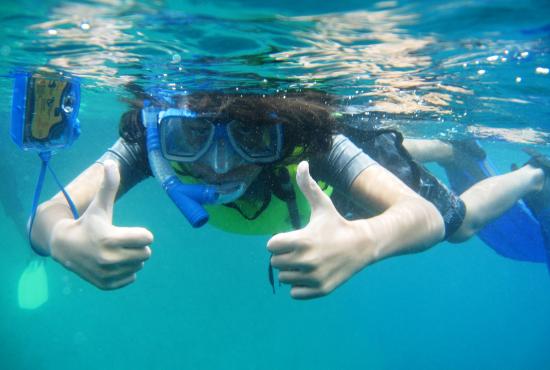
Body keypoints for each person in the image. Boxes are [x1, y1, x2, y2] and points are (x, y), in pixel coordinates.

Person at [30, 90, 550, 299]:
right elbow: (47, 216)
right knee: (376, 168)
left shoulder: (309, 137)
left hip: (331, 190)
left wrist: (367, 241)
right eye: (192, 137)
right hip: (318, 197)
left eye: (250, 138)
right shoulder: (150, 141)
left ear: (281, 130)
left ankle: (533, 175)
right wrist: (61, 240)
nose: (217, 165)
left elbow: (425, 217)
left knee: (459, 225)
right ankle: (441, 147)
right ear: (163, 130)